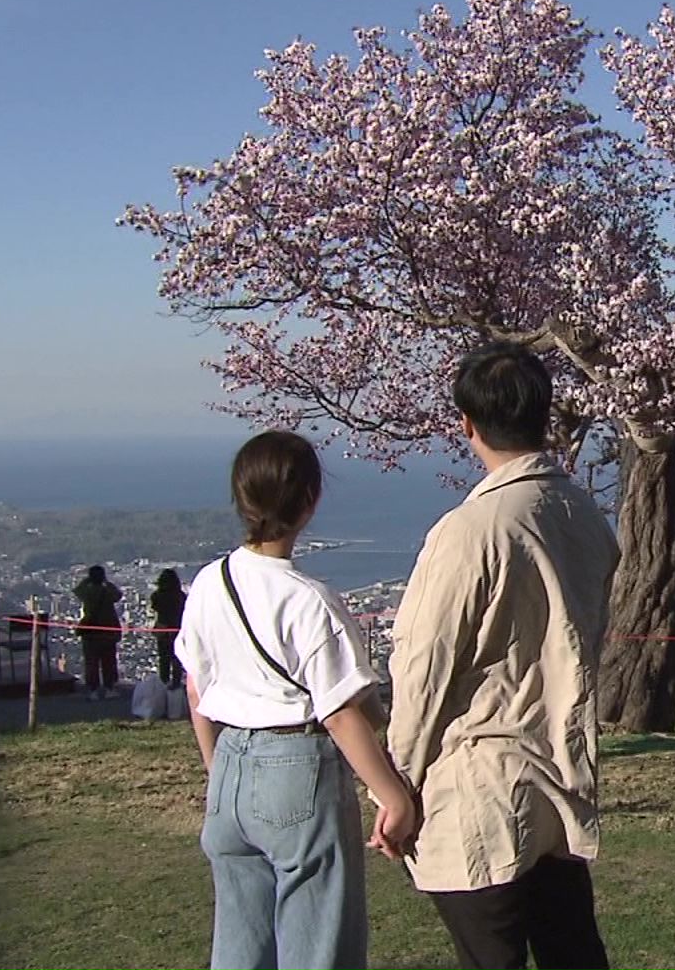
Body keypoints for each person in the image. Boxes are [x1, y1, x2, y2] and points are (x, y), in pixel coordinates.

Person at [385, 342, 621, 970]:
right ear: (544, 415)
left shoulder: (472, 529)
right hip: (558, 769)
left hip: (479, 780)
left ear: (468, 425)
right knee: (572, 950)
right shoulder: (582, 514)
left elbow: (424, 666)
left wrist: (397, 784)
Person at [175, 430, 418, 970]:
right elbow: (339, 712)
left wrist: (219, 770)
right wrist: (392, 796)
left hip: (230, 763)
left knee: (240, 945)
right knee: (317, 943)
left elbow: (197, 687)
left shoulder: (210, 582)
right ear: (310, 501)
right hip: (296, 770)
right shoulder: (309, 600)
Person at [72, 564, 124, 700]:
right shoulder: (107, 592)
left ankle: (93, 689)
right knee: (109, 661)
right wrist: (106, 582)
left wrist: (87, 580)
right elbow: (118, 595)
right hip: (107, 631)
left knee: (91, 662)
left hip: (90, 631)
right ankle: (109, 687)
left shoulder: (87, 593)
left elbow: (77, 590)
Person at [152, 568, 186, 689]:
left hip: (163, 628)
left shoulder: (157, 595)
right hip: (177, 627)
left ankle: (164, 682)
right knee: (177, 658)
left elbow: (155, 606)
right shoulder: (180, 596)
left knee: (164, 658)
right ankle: (176, 682)